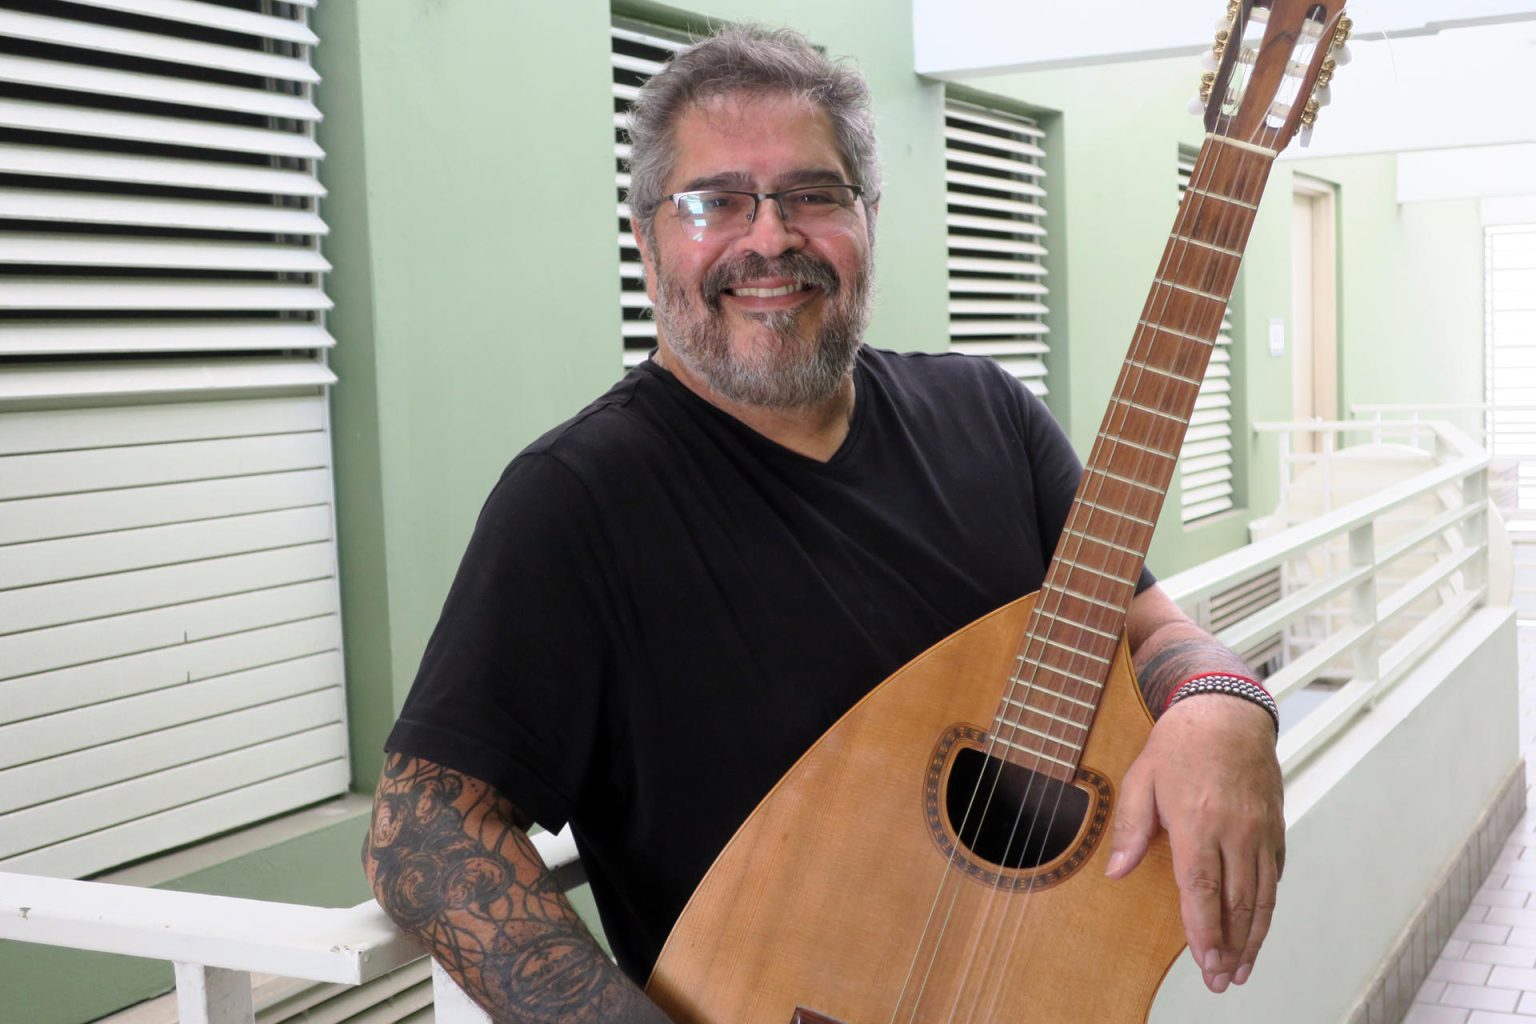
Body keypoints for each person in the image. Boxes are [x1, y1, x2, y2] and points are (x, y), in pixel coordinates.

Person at [364, 24, 1284, 1023]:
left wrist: (1225, 701)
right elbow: (421, 830)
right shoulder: (579, 498)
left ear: (869, 219)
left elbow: (1145, 625)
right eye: (715, 201)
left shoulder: (988, 412)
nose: (770, 238)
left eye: (814, 194)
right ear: (648, 239)